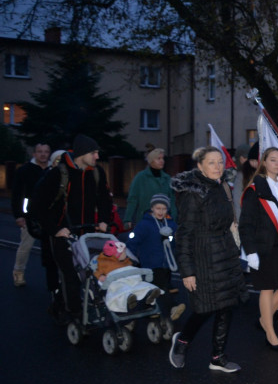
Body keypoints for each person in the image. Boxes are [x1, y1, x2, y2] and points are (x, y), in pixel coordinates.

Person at [168, 146, 247, 373]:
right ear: (200, 165)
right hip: (202, 256)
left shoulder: (221, 187)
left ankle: (217, 357)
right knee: (204, 308)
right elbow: (184, 233)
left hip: (224, 253)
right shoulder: (193, 192)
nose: (217, 166)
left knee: (226, 305)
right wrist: (187, 271)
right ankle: (182, 342)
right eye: (211, 162)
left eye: (220, 162)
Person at [32, 135, 112, 321]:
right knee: (70, 274)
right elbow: (38, 206)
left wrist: (103, 220)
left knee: (90, 272)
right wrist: (55, 229)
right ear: (82, 153)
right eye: (94, 153)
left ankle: (60, 304)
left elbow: (105, 200)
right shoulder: (58, 174)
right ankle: (75, 315)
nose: (97, 157)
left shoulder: (97, 173)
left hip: (89, 232)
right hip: (63, 234)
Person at [240, 147, 278, 351]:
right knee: (266, 287)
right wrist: (251, 251)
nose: (277, 164)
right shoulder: (256, 188)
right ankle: (271, 334)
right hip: (261, 244)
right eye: (273, 160)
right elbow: (245, 223)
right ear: (264, 162)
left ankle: (265, 319)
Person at [127, 193, 184, 326]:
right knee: (161, 288)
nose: (161, 212)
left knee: (151, 290)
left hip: (166, 265)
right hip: (150, 265)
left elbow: (177, 241)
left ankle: (141, 313)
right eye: (158, 208)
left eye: (164, 209)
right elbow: (133, 241)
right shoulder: (145, 224)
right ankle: (173, 308)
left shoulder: (170, 224)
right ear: (152, 208)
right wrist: (130, 257)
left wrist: (174, 240)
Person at [11, 143, 50, 287]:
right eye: (40, 151)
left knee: (53, 249)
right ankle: (18, 272)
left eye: (46, 152)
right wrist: (19, 215)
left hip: (50, 216)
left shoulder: (53, 170)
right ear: (34, 154)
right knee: (26, 246)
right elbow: (16, 194)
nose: (43, 154)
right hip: (30, 216)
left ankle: (54, 278)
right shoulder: (25, 170)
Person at [124, 148, 176, 226]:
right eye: (158, 158)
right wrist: (127, 219)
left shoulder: (167, 178)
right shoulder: (141, 177)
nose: (162, 161)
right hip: (145, 219)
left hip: (164, 220)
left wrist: (174, 218)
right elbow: (132, 199)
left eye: (163, 158)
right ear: (151, 161)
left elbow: (172, 200)